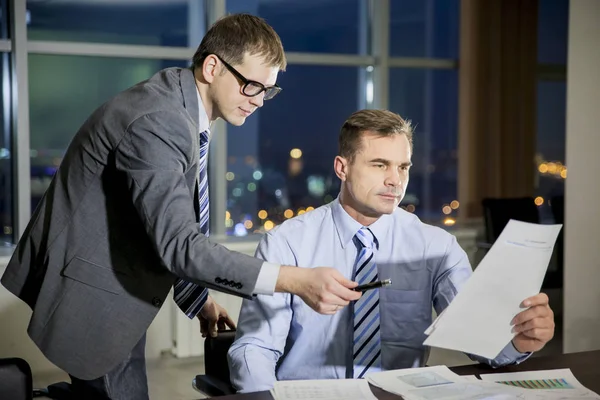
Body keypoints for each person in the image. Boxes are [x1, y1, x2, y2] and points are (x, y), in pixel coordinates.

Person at [0, 14, 360, 400]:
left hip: (115, 291)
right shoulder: (161, 121)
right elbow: (180, 245)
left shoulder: (181, 105)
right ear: (212, 67)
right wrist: (296, 281)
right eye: (252, 85)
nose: (258, 100)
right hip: (95, 300)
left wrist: (198, 298)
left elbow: (159, 221)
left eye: (267, 91)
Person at [228, 109, 556, 393]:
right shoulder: (287, 243)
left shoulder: (437, 248)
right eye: (380, 165)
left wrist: (517, 341)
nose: (395, 181)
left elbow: (478, 337)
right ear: (342, 168)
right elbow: (255, 348)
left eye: (403, 167)